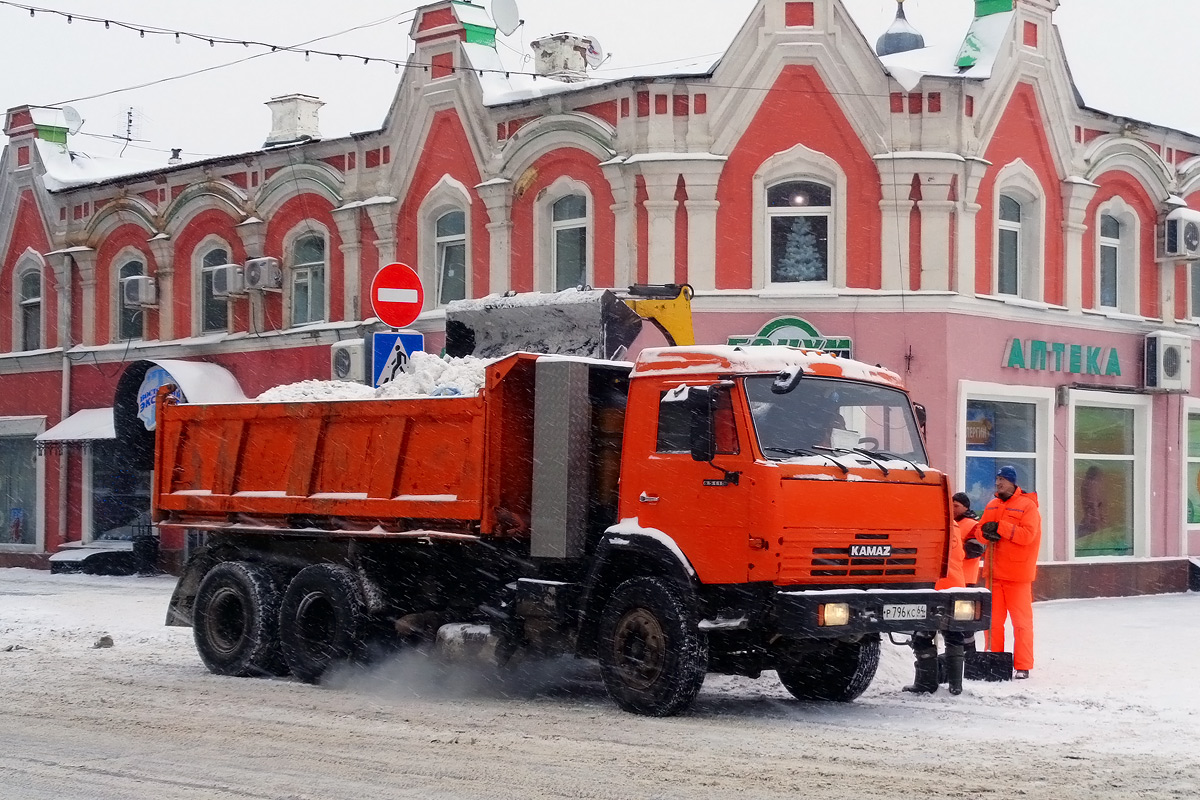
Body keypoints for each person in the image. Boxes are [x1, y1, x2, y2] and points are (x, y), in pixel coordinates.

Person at [903, 495, 974, 696]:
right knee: (953, 634)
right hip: (955, 586)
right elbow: (959, 555)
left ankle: (926, 683)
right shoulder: (953, 525)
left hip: (933, 587)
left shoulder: (928, 525)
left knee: (923, 634)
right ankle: (955, 685)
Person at [976, 465, 1042, 680]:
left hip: (1018, 576)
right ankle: (994, 660)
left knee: (1021, 624)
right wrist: (985, 533)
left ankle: (1023, 665)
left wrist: (1001, 528)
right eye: (997, 480)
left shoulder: (1028, 506)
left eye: (1002, 480)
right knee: (992, 623)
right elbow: (981, 532)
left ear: (1013, 482)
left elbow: (1028, 536)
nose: (998, 484)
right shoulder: (992, 504)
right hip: (994, 575)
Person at [953, 492, 984, 587]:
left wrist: (953, 554)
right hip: (953, 577)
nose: (953, 509)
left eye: (956, 506)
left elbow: (975, 550)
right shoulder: (950, 523)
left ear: (966, 507)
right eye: (951, 506)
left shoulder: (974, 525)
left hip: (966, 578)